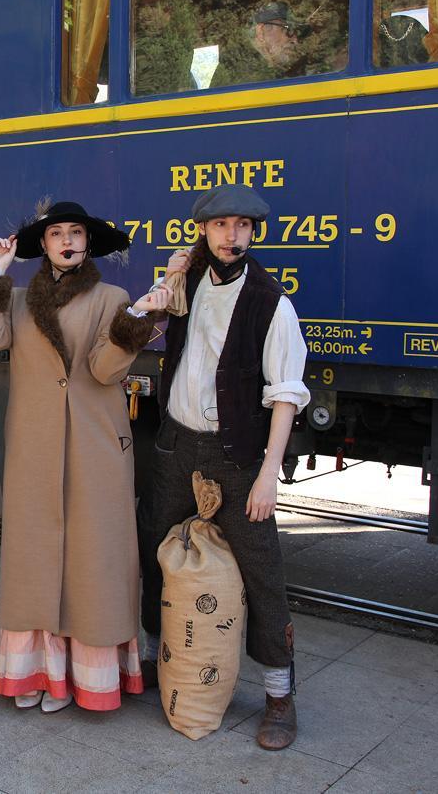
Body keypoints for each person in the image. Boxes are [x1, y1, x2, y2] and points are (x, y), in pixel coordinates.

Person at [0, 200, 175, 713]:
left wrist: (138, 319)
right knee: (34, 562)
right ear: (43, 244)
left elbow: (106, 371)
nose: (66, 240)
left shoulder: (113, 297)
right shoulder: (15, 299)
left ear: (87, 242)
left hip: (95, 446)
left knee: (93, 562)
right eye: (56, 233)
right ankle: (38, 674)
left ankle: (86, 680)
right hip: (34, 445)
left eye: (75, 232)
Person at [137, 183, 310, 750]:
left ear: (253, 233)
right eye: (219, 226)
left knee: (262, 568)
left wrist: (268, 474)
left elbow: (285, 394)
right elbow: (141, 322)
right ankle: (157, 658)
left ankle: (279, 696)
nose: (230, 236)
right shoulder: (184, 283)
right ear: (203, 232)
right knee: (152, 548)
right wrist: (162, 290)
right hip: (176, 444)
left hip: (236, 455)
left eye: (241, 226)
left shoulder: (270, 302)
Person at [210, 2, 302, 89]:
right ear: (261, 32)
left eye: (298, 34)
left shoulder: (271, 69)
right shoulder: (236, 71)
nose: (295, 40)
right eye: (288, 30)